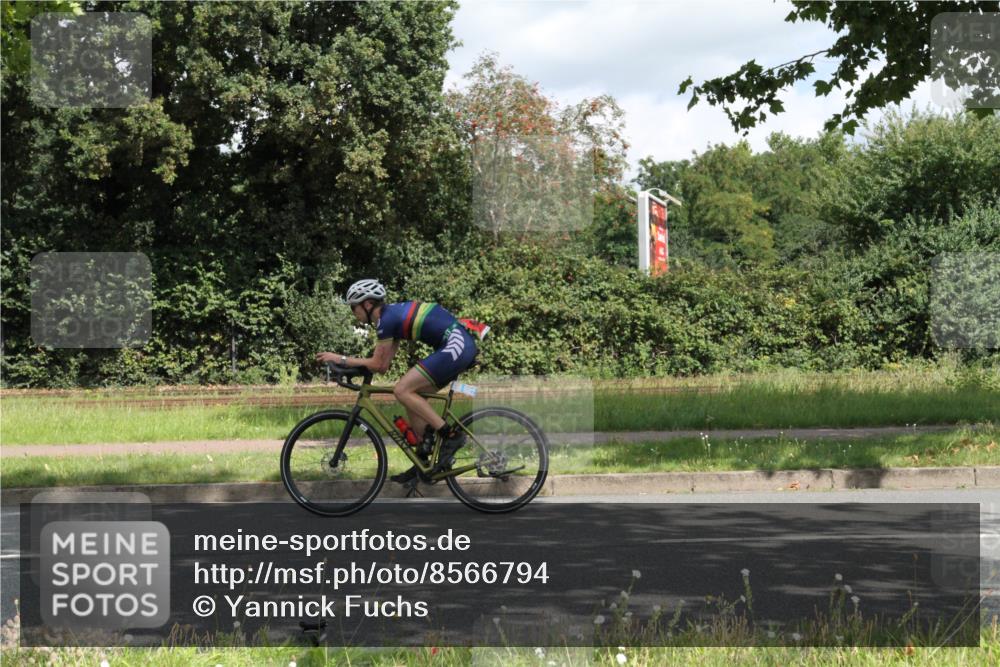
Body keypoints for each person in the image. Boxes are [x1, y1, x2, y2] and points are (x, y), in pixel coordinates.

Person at [315, 279, 485, 484]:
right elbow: (383, 364)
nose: (353, 312)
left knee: (402, 390)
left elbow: (377, 364)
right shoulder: (390, 320)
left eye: (354, 307)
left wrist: (340, 359)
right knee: (412, 397)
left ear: (367, 304)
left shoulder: (387, 321)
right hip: (456, 345)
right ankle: (423, 463)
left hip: (456, 344)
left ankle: (451, 436)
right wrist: (350, 367)